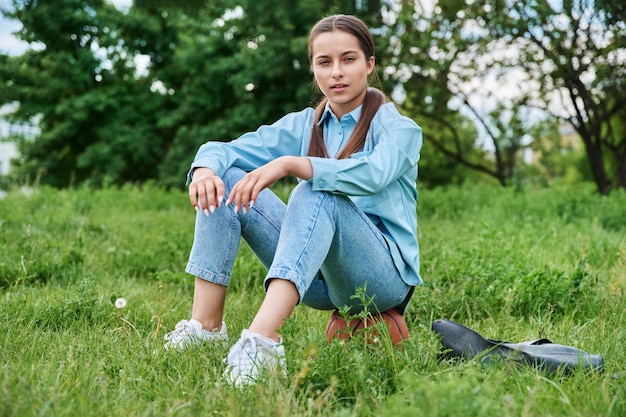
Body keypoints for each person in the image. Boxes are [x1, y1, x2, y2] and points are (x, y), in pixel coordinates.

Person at [163, 14, 423, 387]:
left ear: (369, 64)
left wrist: (293, 164)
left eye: (348, 59)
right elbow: (225, 149)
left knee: (316, 188)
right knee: (225, 177)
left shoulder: (399, 129)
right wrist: (205, 170)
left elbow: (373, 174)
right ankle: (206, 329)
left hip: (382, 279)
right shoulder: (306, 124)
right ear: (313, 69)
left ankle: (262, 344)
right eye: (324, 62)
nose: (337, 72)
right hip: (318, 281)